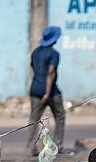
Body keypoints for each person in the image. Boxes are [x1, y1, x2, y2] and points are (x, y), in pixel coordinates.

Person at [26, 26, 72, 155]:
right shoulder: (54, 54)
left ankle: (31, 147)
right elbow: (50, 72)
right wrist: (46, 93)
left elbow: (33, 69)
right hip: (50, 91)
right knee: (60, 116)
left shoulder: (35, 52)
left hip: (35, 88)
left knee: (34, 118)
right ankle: (58, 146)